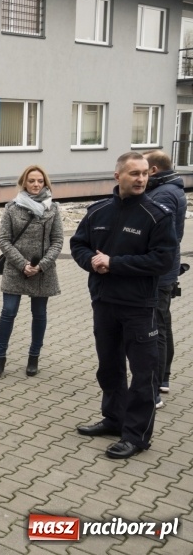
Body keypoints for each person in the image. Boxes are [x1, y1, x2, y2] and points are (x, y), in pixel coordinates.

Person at [71, 152, 176, 460]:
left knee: (144, 374)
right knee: (110, 367)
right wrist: (91, 261)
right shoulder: (98, 211)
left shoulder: (158, 214)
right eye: (134, 174)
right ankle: (114, 419)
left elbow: (163, 259)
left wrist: (114, 263)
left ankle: (136, 436)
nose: (141, 179)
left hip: (140, 307)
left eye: (144, 173)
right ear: (118, 177)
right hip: (104, 303)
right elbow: (78, 244)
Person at [0, 165, 63, 378]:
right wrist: (22, 264)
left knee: (39, 315)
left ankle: (34, 358)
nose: (35, 184)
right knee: (8, 312)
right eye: (31, 181)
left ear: (45, 183)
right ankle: (0, 358)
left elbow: (58, 241)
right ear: (24, 183)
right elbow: (3, 240)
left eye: (40, 181)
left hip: (43, 271)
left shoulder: (53, 209)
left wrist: (41, 265)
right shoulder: (12, 208)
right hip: (15, 269)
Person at [144, 150, 186, 404]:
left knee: (156, 328)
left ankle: (155, 388)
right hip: (166, 270)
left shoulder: (164, 194)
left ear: (153, 170)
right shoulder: (171, 188)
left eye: (142, 169)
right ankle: (164, 379)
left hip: (159, 274)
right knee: (163, 324)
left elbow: (163, 237)